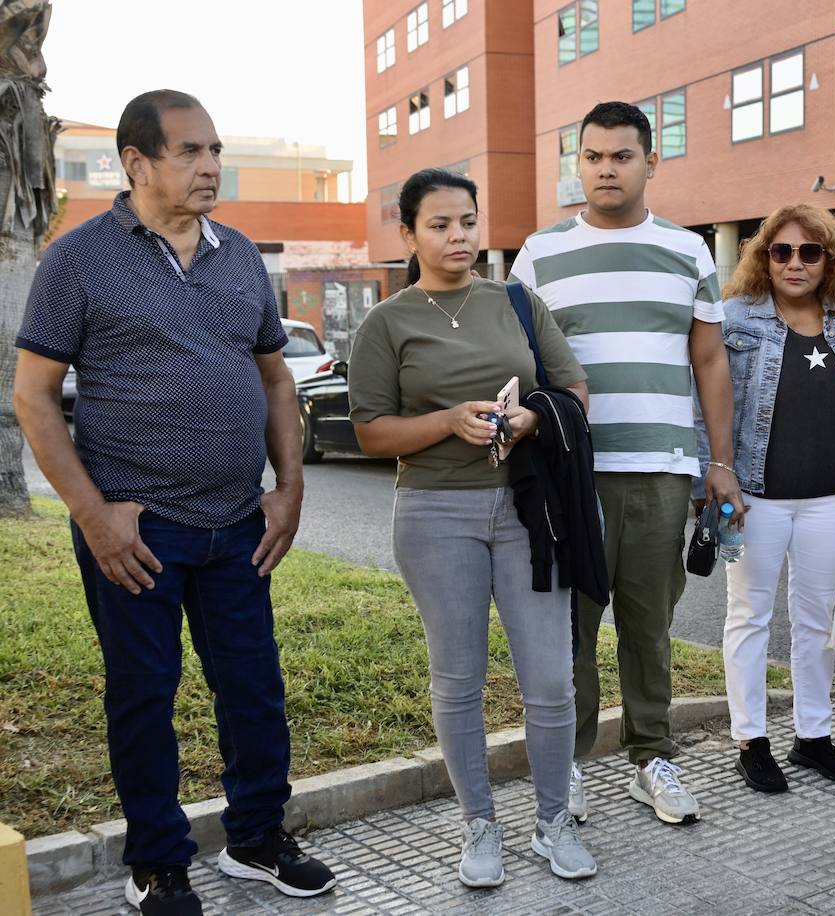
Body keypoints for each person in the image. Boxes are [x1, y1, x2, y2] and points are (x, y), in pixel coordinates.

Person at [12, 90, 336, 916]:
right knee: (144, 694)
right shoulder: (78, 260)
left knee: (254, 687)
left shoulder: (239, 259)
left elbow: (273, 375)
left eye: (215, 150)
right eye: (191, 151)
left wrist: (289, 489)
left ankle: (258, 840)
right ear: (137, 162)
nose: (210, 166)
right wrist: (93, 514)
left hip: (238, 525)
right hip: (136, 530)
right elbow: (35, 398)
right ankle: (158, 862)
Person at [347, 168, 597, 888]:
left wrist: (532, 418)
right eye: (439, 225)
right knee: (458, 680)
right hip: (434, 511)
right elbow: (370, 432)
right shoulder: (388, 322)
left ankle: (553, 824)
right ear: (409, 234)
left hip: (528, 509)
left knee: (549, 679)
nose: (457, 238)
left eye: (467, 222)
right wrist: (446, 422)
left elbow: (574, 390)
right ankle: (478, 826)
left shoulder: (517, 301)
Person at [510, 101, 742, 825]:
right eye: (593, 156)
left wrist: (722, 463)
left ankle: (651, 757)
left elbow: (709, 360)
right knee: (571, 626)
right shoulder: (538, 254)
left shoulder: (688, 251)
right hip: (570, 475)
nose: (606, 168)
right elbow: (519, 367)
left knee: (649, 625)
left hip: (662, 469)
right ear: (577, 163)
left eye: (622, 156)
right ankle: (569, 766)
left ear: (649, 162)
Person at [703, 203, 835, 793]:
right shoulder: (734, 317)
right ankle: (751, 739)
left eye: (809, 252)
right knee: (750, 617)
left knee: (815, 623)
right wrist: (712, 476)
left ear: (828, 259)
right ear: (763, 256)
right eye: (780, 251)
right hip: (755, 498)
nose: (794, 263)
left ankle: (813, 736)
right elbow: (702, 397)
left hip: (832, 499)